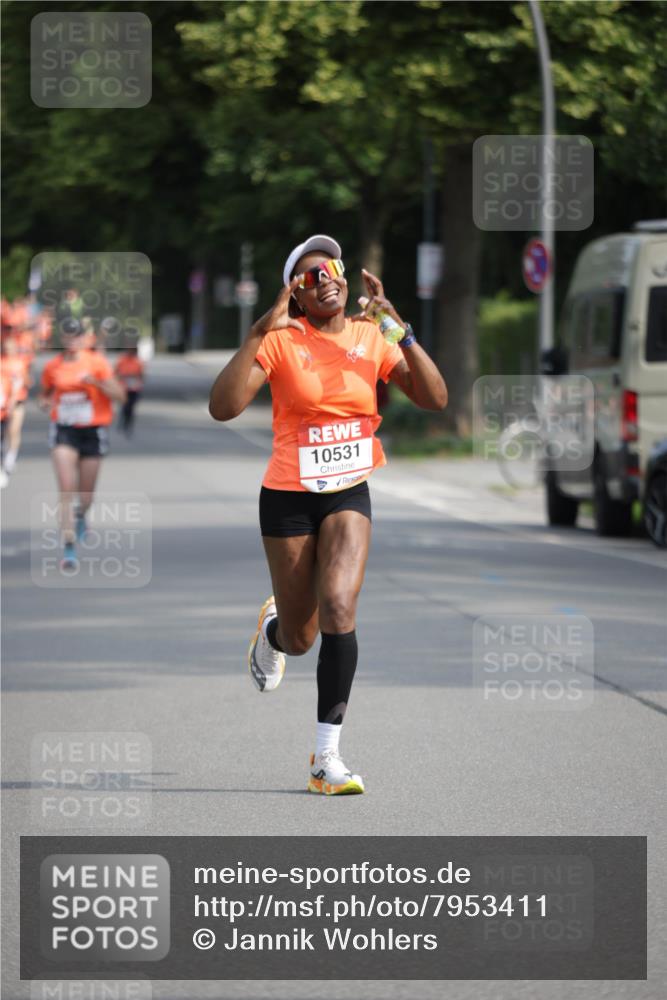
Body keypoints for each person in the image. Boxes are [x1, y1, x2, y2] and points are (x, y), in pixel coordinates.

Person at [209, 234, 447, 795]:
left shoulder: (372, 336)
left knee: (340, 602)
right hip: (288, 496)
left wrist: (401, 330)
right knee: (301, 639)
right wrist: (258, 332)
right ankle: (273, 629)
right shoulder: (283, 339)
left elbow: (434, 398)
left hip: (348, 491)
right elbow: (223, 407)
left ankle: (325, 760)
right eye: (310, 276)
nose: (327, 279)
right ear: (296, 292)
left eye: (332, 267)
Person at [39, 321, 126, 570]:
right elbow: (44, 394)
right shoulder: (53, 366)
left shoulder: (96, 362)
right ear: (62, 338)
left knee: (85, 495)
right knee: (66, 490)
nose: (72, 340)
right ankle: (68, 547)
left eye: (77, 336)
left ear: (83, 338)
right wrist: (44, 403)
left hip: (93, 431)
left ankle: (82, 515)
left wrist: (96, 383)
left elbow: (119, 396)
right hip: (64, 431)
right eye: (68, 336)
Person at [114, 347, 145, 436]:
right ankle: (122, 422)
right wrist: (120, 377)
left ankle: (128, 424)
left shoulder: (138, 361)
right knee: (124, 406)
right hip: (124, 387)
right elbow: (116, 371)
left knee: (131, 407)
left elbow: (142, 374)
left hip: (134, 387)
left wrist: (138, 380)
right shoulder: (122, 359)